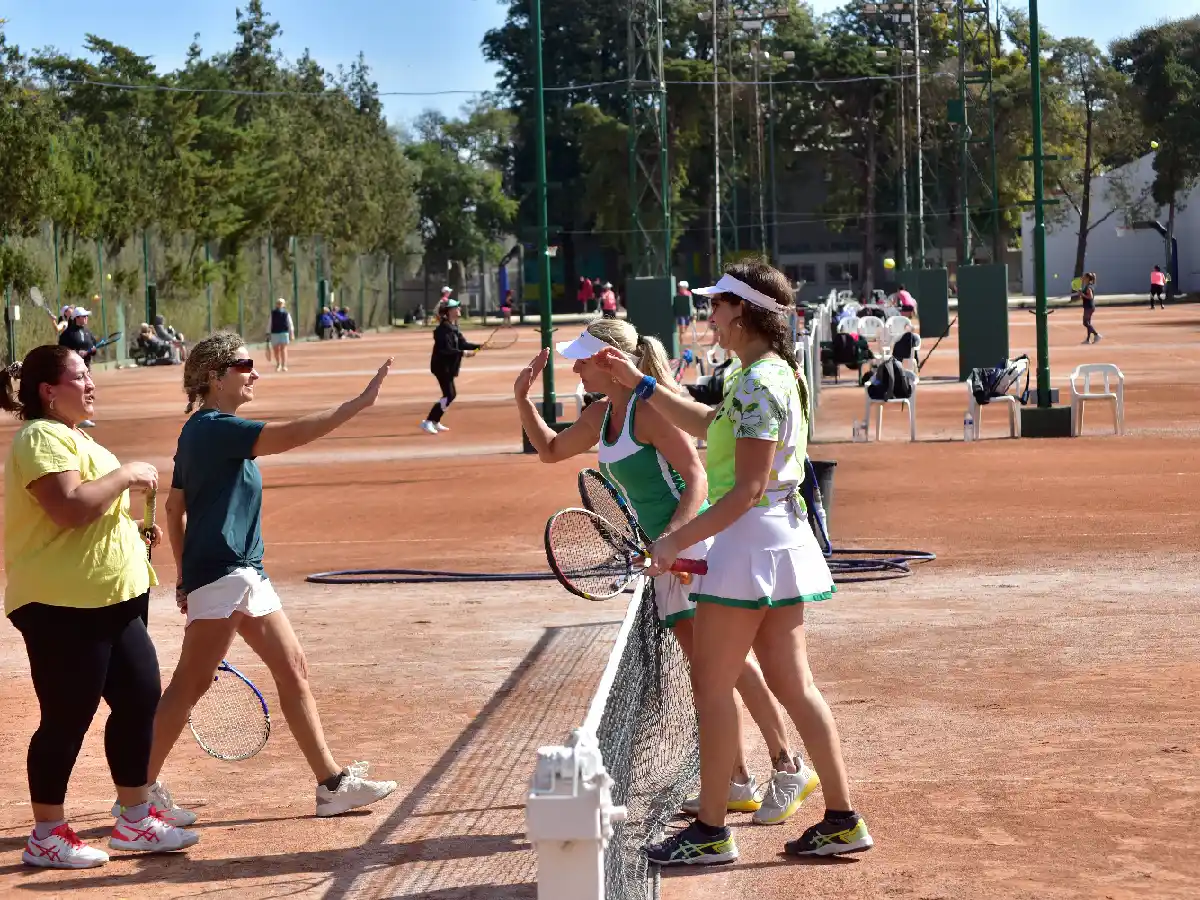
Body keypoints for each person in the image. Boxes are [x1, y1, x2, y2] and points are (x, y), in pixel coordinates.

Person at [594, 259, 872, 865]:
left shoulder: (757, 383)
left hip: (749, 544)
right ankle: (843, 818)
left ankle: (711, 832)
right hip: (780, 541)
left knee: (713, 688)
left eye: (716, 306)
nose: (709, 316)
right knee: (795, 686)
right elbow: (708, 424)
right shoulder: (770, 373)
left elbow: (744, 488)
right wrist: (640, 384)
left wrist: (672, 542)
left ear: (741, 312)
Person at [516, 318, 816, 826]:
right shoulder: (598, 414)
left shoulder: (649, 411)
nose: (575, 367)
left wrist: (675, 537)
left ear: (611, 362)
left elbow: (697, 477)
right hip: (668, 559)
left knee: (729, 667)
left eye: (584, 359)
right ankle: (736, 780)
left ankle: (788, 766)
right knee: (710, 669)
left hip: (697, 550)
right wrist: (522, 399)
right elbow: (549, 450)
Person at [145, 332, 398, 819]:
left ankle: (332, 785)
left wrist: (182, 575)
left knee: (293, 669)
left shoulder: (197, 430)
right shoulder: (214, 428)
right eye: (245, 366)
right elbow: (289, 436)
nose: (255, 373)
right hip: (225, 570)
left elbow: (175, 507)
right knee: (189, 685)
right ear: (216, 378)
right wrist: (358, 404)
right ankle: (137, 794)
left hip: (241, 571)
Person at [2, 345, 200, 869]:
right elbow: (67, 508)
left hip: (110, 596)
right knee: (66, 717)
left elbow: (88, 514)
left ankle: (134, 819)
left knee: (139, 699)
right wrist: (127, 475)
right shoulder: (39, 437)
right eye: (81, 376)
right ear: (49, 390)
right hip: (63, 604)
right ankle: (47, 833)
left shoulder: (73, 436)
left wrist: (130, 532)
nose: (91, 384)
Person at [420, 299, 480, 436]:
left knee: (450, 395)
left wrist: (479, 346)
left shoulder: (453, 328)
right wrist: (464, 353)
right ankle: (428, 421)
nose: (459, 309)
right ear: (448, 312)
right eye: (455, 308)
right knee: (449, 394)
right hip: (441, 367)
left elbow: (463, 343)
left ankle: (435, 421)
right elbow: (446, 350)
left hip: (449, 367)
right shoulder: (442, 330)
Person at [269, 299, 296, 372]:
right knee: (276, 350)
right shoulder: (273, 313)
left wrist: (292, 334)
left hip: (284, 333)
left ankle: (284, 365)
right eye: (278, 303)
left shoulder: (286, 313)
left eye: (281, 303)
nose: (279, 304)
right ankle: (278, 364)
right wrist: (268, 333)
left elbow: (290, 324)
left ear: (284, 305)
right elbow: (270, 323)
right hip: (274, 333)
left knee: (283, 349)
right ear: (276, 304)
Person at [1074, 272, 1100, 344]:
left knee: (1085, 323)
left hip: (1089, 307)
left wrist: (1082, 294)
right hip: (1088, 306)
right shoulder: (1087, 286)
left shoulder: (1088, 287)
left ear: (1088, 279)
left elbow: (1090, 297)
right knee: (1088, 323)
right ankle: (1088, 340)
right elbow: (1084, 296)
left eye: (1084, 277)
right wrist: (1081, 294)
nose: (1083, 278)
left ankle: (1096, 335)